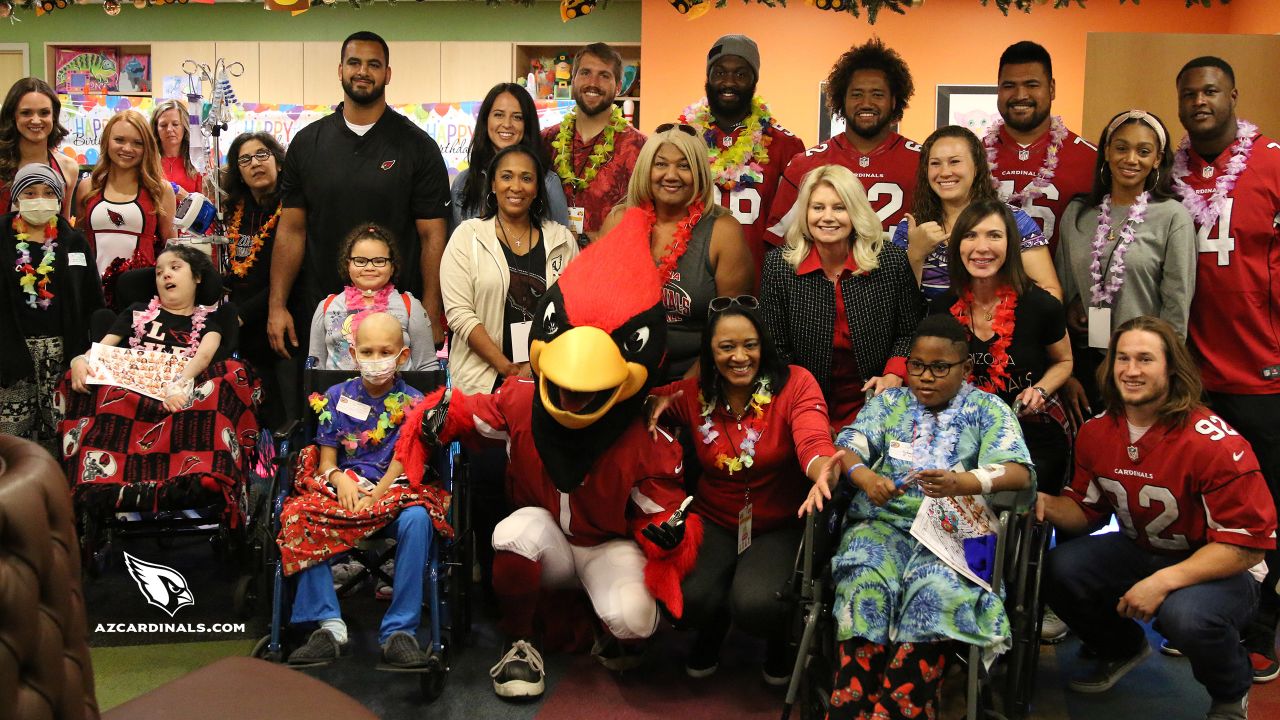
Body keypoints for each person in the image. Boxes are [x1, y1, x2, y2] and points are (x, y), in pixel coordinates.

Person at [1037, 316, 1275, 720]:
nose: (1131, 370)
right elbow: (1085, 512)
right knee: (1058, 568)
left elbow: (1246, 546)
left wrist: (1160, 583)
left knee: (1187, 616)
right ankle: (1122, 648)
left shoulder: (1214, 442)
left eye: (1145, 359)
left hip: (1220, 567)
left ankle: (1230, 693)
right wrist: (1037, 500)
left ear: (1171, 368)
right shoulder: (1098, 431)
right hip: (1142, 546)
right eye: (1123, 358)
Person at [802, 313, 1034, 720]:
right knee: (862, 576)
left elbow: (1019, 472)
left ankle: (899, 708)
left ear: (965, 369)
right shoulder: (889, 403)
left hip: (960, 531)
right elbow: (848, 446)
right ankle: (853, 703)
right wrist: (866, 477)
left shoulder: (987, 409)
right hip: (884, 523)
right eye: (917, 366)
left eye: (940, 368)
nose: (926, 377)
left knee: (935, 592)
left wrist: (963, 482)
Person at [646, 300, 839, 684]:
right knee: (683, 600)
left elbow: (813, 439)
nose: (740, 357)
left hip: (778, 522)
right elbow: (643, 398)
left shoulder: (796, 384)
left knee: (755, 603)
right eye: (726, 347)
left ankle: (779, 638)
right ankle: (712, 627)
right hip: (714, 519)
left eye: (750, 345)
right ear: (709, 352)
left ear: (763, 345)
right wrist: (652, 402)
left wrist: (823, 471)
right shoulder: (693, 394)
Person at [1173, 55, 1280, 683]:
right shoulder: (1171, 169)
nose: (1199, 102)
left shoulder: (1271, 160)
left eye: (1210, 91)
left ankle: (1264, 626)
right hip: (1191, 369)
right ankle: (1207, 616)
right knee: (1203, 505)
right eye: (1188, 94)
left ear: (1233, 93)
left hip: (1262, 366)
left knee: (1269, 505)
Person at [279, 312, 452, 670]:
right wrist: (340, 478)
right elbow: (326, 462)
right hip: (345, 489)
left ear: (402, 356)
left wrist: (378, 493)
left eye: (384, 351)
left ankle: (399, 631)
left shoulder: (415, 401)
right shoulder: (335, 396)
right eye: (367, 352)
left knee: (419, 519)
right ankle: (328, 626)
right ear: (354, 354)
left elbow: (407, 459)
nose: (375, 360)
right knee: (298, 513)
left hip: (395, 489)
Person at [269, 30, 451, 360]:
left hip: (396, 322)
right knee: (323, 409)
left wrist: (431, 311)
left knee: (395, 411)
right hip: (320, 315)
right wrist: (277, 305)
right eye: (354, 62)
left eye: (373, 64)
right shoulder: (308, 143)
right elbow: (291, 230)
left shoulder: (417, 147)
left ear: (388, 74)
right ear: (340, 70)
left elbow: (433, 235)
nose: (363, 71)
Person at [62, 244, 257, 522]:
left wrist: (178, 386)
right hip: (128, 395)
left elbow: (202, 359)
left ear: (197, 278)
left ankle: (201, 478)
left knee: (227, 376)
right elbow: (103, 349)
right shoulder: (137, 312)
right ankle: (101, 483)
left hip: (181, 397)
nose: (166, 275)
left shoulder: (210, 325)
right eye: (159, 272)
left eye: (175, 268)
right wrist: (80, 360)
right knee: (88, 382)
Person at [760, 164, 921, 430]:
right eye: (817, 207)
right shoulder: (779, 266)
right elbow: (776, 349)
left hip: (876, 397)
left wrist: (894, 373)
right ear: (805, 212)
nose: (827, 217)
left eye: (839, 207)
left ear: (855, 212)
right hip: (804, 400)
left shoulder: (890, 261)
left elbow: (910, 331)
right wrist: (802, 404)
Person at [1057, 109, 1196, 408]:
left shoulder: (1173, 217)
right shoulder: (1078, 215)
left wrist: (1165, 373)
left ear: (1157, 159)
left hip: (1142, 369)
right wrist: (1064, 370)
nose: (1131, 159)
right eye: (1121, 148)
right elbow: (1062, 292)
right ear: (1106, 151)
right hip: (1085, 366)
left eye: (1143, 151)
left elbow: (1177, 306)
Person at [931, 199, 1073, 491]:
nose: (981, 247)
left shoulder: (1041, 305)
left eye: (994, 236)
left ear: (1011, 245)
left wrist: (1042, 389)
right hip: (962, 429)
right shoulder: (942, 308)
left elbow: (1064, 361)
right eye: (970, 235)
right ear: (958, 245)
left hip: (1029, 428)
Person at [600, 125, 753, 382]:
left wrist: (682, 393)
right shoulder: (619, 222)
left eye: (684, 166)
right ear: (646, 170)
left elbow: (732, 330)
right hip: (623, 372)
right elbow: (595, 309)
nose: (671, 175)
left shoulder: (723, 232)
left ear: (699, 174)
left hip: (700, 373)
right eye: (661, 164)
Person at [442, 145, 577, 395]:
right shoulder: (467, 237)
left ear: (537, 188)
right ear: (493, 184)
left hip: (549, 380)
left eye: (526, 178)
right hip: (481, 384)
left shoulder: (562, 241)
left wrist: (535, 366)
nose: (516, 186)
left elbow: (573, 313)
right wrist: (508, 368)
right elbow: (459, 314)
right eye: (506, 176)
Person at [766, 38, 919, 242]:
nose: (866, 103)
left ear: (893, 101)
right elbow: (778, 240)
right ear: (842, 99)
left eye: (877, 94)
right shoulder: (805, 165)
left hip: (901, 273)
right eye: (856, 94)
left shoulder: (923, 162)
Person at [678, 34, 806, 277]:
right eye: (719, 73)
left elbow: (794, 230)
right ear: (708, 78)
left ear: (754, 80)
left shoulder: (786, 145)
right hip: (689, 279)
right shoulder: (683, 139)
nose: (729, 82)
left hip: (760, 280)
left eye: (740, 74)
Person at [0, 163, 103, 450]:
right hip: (10, 353)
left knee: (61, 438)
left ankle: (56, 493)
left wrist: (86, 352)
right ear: (16, 198)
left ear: (59, 199)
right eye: (30, 193)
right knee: (11, 445)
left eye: (48, 192)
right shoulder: (2, 237)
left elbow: (93, 300)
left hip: (62, 356)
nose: (39, 199)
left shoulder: (73, 241)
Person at [893, 125, 1061, 301]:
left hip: (1003, 327)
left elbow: (1050, 291)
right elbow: (895, 305)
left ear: (977, 166)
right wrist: (916, 253)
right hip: (927, 328)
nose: (944, 172)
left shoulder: (1014, 221)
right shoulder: (910, 229)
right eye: (935, 164)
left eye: (955, 162)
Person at [985, 41, 1098, 255]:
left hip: (1062, 286)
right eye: (1009, 86)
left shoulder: (1091, 159)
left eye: (1032, 84)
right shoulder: (972, 156)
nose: (1020, 95)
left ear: (1052, 88)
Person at [221, 131, 295, 429]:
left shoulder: (293, 209)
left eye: (262, 155)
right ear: (238, 172)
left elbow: (294, 275)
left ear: (278, 161)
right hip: (246, 330)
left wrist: (242, 314)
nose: (255, 163)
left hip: (283, 320)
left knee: (286, 417)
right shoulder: (236, 211)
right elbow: (236, 269)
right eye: (245, 159)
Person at [540, 42, 646, 244]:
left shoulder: (640, 148)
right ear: (573, 80)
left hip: (611, 268)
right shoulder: (545, 141)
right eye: (585, 73)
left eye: (604, 75)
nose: (593, 83)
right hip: (548, 266)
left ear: (619, 87)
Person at [75, 109, 177, 304]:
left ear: (147, 147)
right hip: (91, 292)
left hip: (142, 297)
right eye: (119, 140)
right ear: (106, 141)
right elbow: (80, 244)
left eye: (137, 143)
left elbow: (171, 249)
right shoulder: (88, 187)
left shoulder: (160, 190)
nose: (127, 148)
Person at [308, 224, 438, 372]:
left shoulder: (410, 306)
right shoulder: (327, 307)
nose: (370, 267)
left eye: (379, 261)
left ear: (392, 267)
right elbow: (315, 368)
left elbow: (427, 366)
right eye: (360, 261)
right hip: (338, 394)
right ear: (347, 264)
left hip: (399, 393)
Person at [451, 82, 569, 233]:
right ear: (485, 120)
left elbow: (562, 247)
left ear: (527, 124)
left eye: (517, 117)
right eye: (499, 115)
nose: (507, 124)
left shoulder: (548, 183)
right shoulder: (463, 183)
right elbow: (454, 248)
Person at [0, 77, 80, 216]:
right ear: (13, 115)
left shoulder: (68, 168)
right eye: (26, 113)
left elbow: (64, 227)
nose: (36, 120)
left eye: (44, 113)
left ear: (54, 115)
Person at [151, 98, 202, 198]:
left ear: (184, 126)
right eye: (163, 125)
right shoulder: (147, 161)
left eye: (175, 124)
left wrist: (185, 197)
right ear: (156, 129)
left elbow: (205, 207)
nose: (169, 129)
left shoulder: (197, 162)